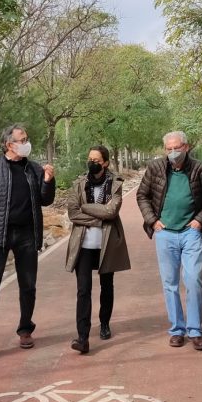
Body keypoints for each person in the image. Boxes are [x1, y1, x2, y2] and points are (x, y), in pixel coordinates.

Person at [0, 124, 56, 359]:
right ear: (9, 144)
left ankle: (25, 329)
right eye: (22, 139)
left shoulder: (34, 169)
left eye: (27, 138)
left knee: (28, 286)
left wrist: (48, 180)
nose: (27, 143)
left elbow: (45, 201)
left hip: (27, 235)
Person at [136, 130, 202, 350]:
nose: (173, 152)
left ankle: (195, 330)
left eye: (177, 148)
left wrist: (200, 221)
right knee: (170, 283)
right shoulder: (155, 168)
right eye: (169, 149)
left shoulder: (199, 169)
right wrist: (153, 221)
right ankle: (177, 329)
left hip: (191, 232)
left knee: (193, 280)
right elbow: (142, 195)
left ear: (186, 147)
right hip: (165, 233)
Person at [65, 146, 130, 354]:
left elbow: (112, 212)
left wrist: (86, 208)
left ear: (105, 163)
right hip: (83, 245)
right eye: (89, 158)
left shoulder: (115, 184)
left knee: (106, 286)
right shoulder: (79, 183)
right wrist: (98, 216)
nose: (92, 162)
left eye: (96, 159)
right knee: (83, 290)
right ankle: (82, 337)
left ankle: (104, 323)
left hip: (106, 243)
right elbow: (73, 214)